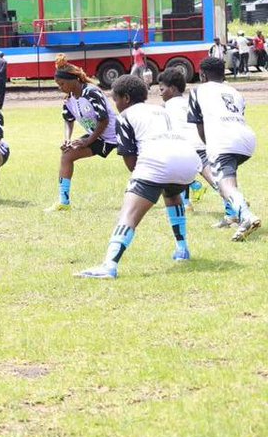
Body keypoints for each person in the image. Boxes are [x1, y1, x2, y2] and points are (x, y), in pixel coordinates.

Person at [75, 75, 202, 278]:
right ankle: (182, 248)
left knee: (129, 213)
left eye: (115, 99)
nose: (115, 105)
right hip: (190, 163)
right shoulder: (161, 109)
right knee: (171, 194)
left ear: (125, 98)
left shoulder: (125, 116)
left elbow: (130, 160)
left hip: (158, 161)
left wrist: (140, 183)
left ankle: (109, 265)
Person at [187, 56, 259, 241]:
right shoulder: (235, 91)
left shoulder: (198, 91)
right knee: (227, 179)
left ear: (202, 75)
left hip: (223, 141)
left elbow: (199, 126)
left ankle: (247, 216)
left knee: (223, 184)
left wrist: (210, 146)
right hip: (247, 139)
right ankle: (236, 214)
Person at [47, 54, 119, 211]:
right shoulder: (69, 99)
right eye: (58, 84)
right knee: (67, 155)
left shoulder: (91, 92)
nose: (60, 87)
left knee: (138, 165)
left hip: (116, 135)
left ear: (74, 80)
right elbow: (68, 120)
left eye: (62, 83)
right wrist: (67, 139)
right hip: (98, 136)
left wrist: (88, 141)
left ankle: (177, 193)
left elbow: (104, 120)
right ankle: (63, 202)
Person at [157, 66, 217, 212]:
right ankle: (233, 200)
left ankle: (184, 202)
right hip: (201, 145)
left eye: (162, 89)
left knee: (176, 173)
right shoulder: (189, 102)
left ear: (171, 89)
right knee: (215, 179)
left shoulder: (166, 106)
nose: (160, 93)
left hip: (184, 147)